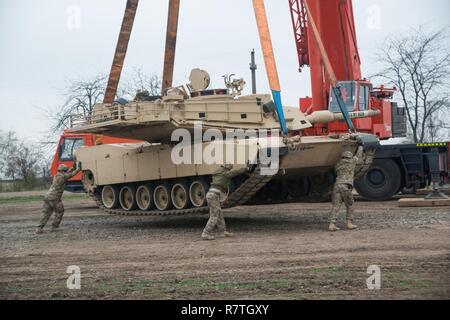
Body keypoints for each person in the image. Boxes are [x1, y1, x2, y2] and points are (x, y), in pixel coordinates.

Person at [201, 163, 249, 240]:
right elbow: (234, 173)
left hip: (213, 195)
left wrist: (223, 196)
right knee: (215, 215)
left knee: (219, 214)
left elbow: (219, 187)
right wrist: (245, 169)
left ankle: (222, 231)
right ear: (225, 167)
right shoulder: (225, 174)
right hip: (213, 196)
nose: (231, 167)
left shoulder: (218, 173)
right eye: (229, 166)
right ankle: (205, 233)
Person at [36, 163, 81, 234]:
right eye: (65, 171)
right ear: (62, 171)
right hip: (54, 197)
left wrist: (73, 167)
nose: (66, 172)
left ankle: (39, 228)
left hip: (48, 197)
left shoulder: (57, 175)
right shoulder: (62, 177)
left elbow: (68, 173)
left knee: (46, 213)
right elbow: (71, 175)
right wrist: (78, 169)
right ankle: (54, 227)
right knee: (60, 211)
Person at [329, 146, 364, 232]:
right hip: (345, 186)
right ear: (349, 157)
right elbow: (359, 155)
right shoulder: (352, 162)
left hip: (337, 186)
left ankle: (332, 224)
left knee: (336, 206)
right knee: (350, 204)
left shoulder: (337, 164)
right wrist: (360, 146)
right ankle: (349, 223)